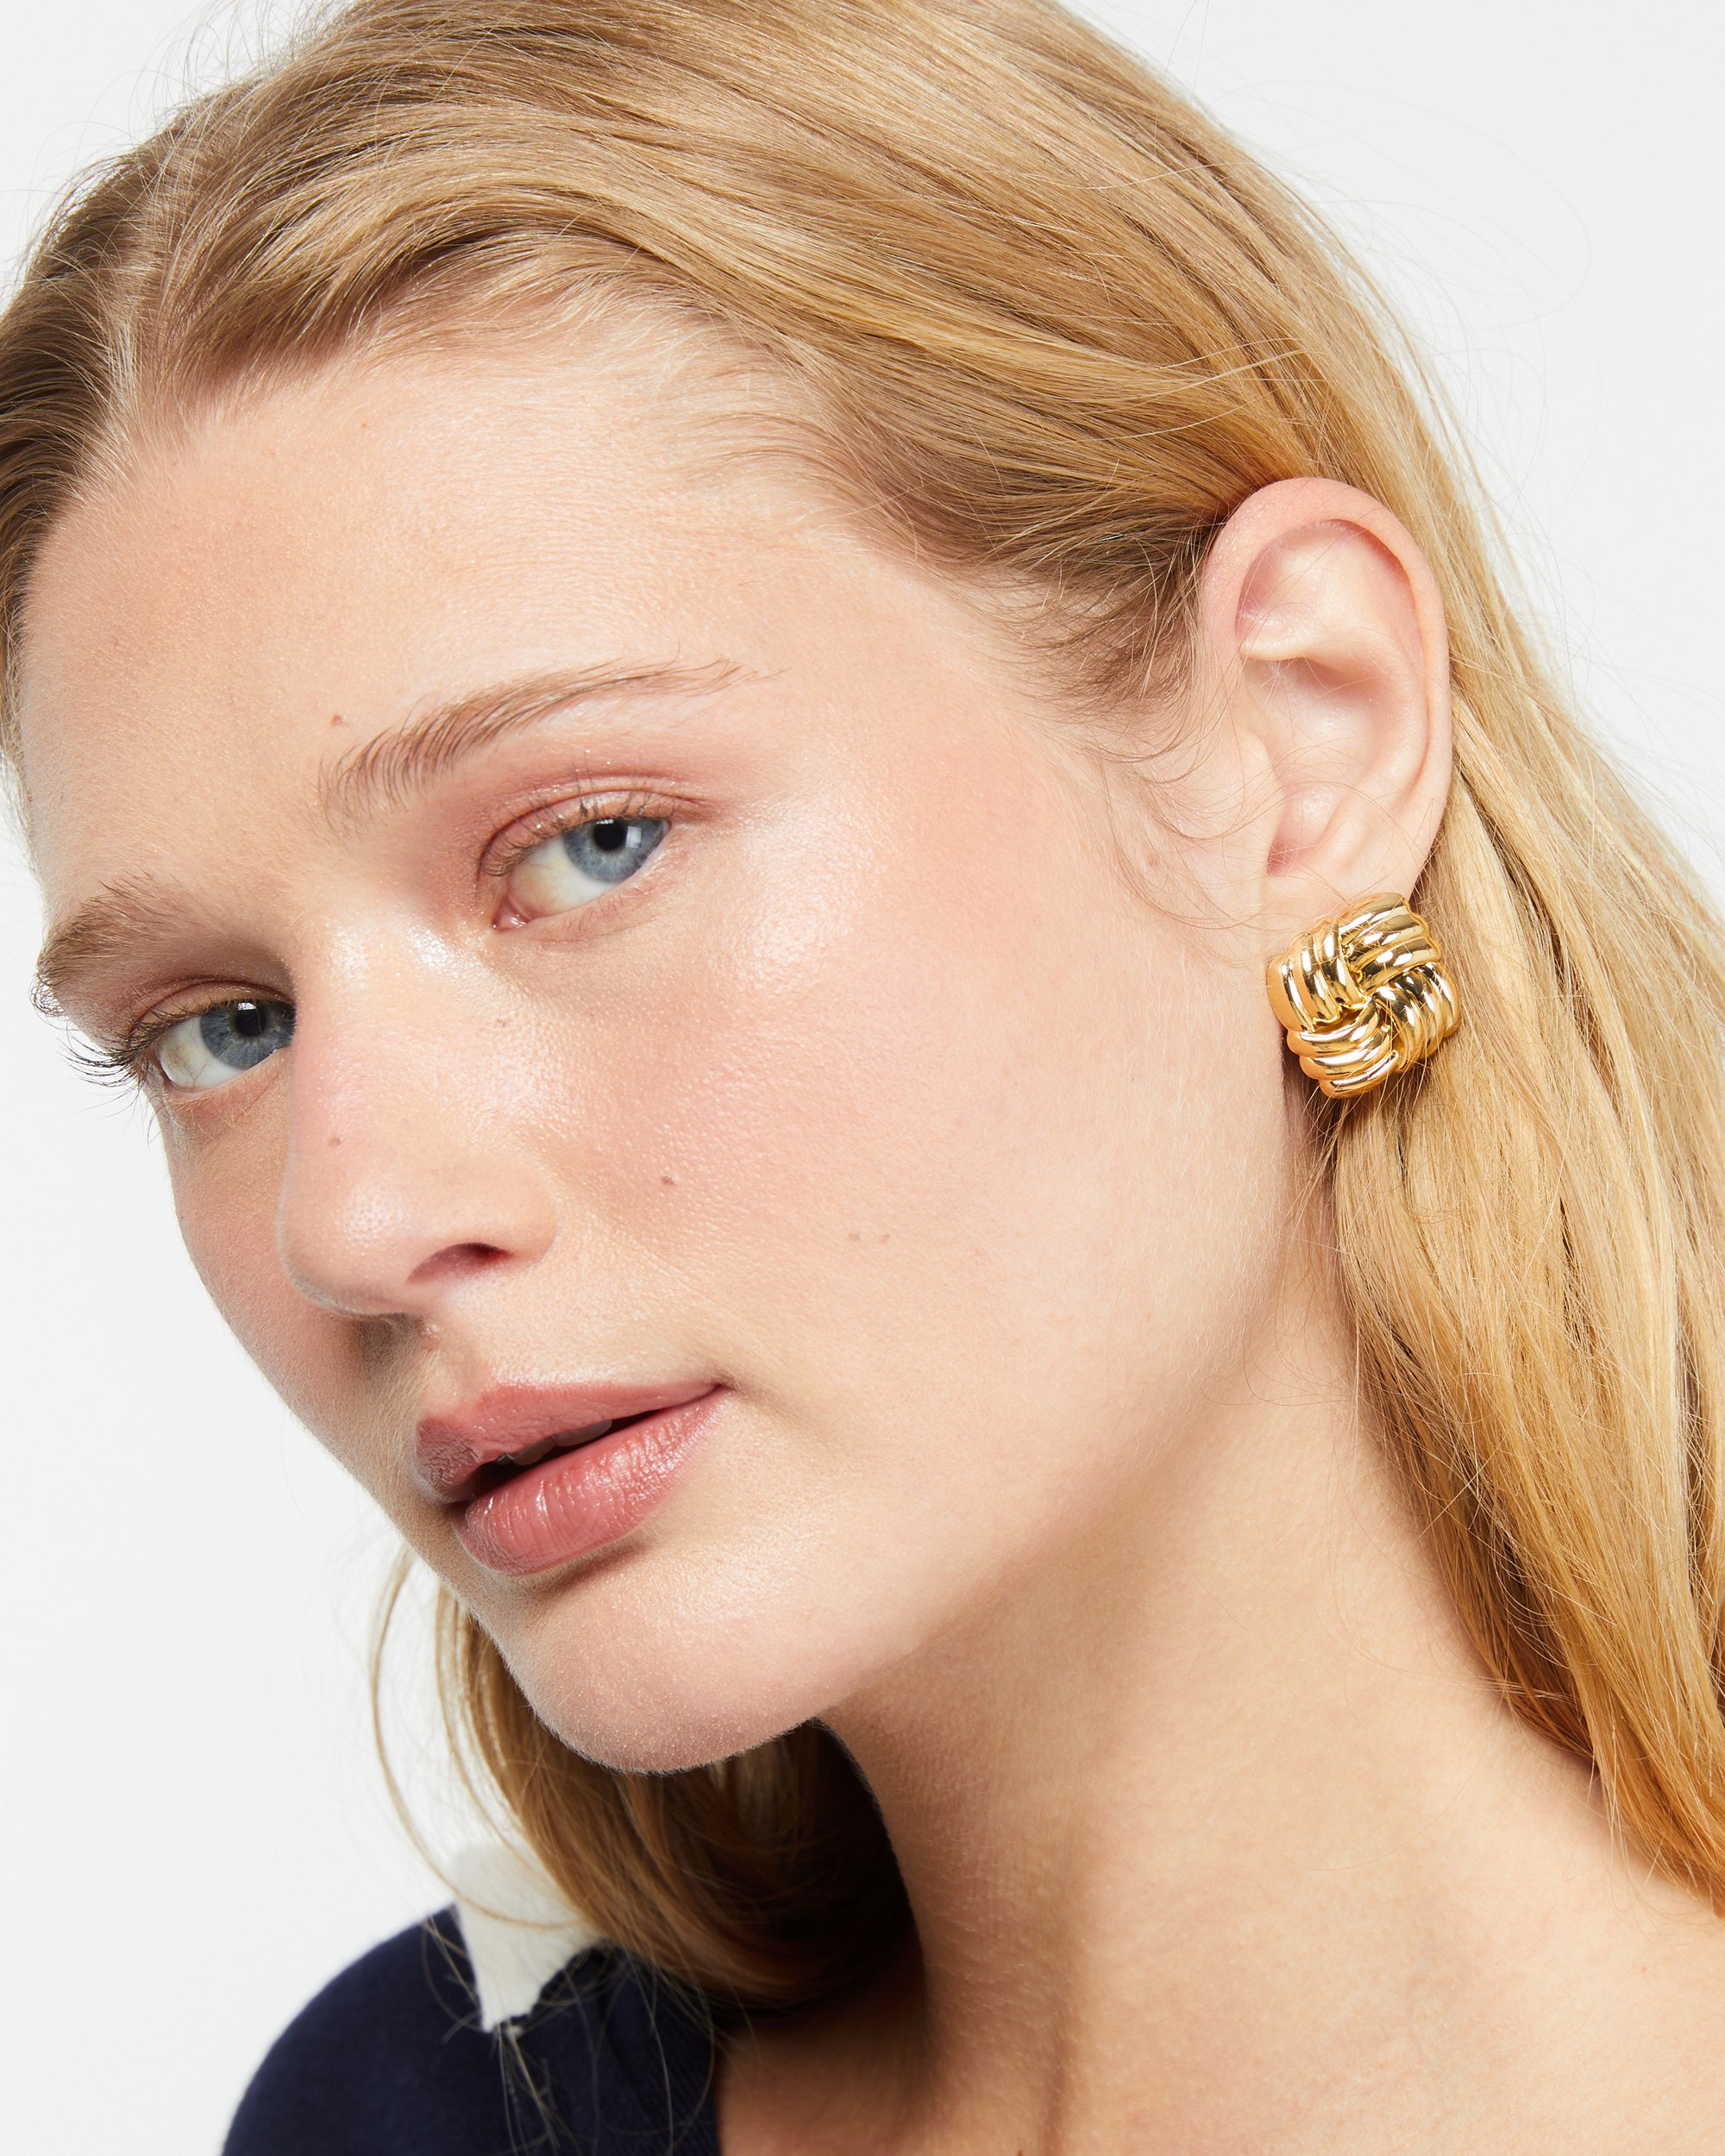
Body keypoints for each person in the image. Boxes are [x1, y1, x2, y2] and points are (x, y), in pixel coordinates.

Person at [6, 0, 1725, 2147]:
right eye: (221, 1026)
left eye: (590, 844)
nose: (346, 1219)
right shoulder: (414, 2111)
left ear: (1303, 734)